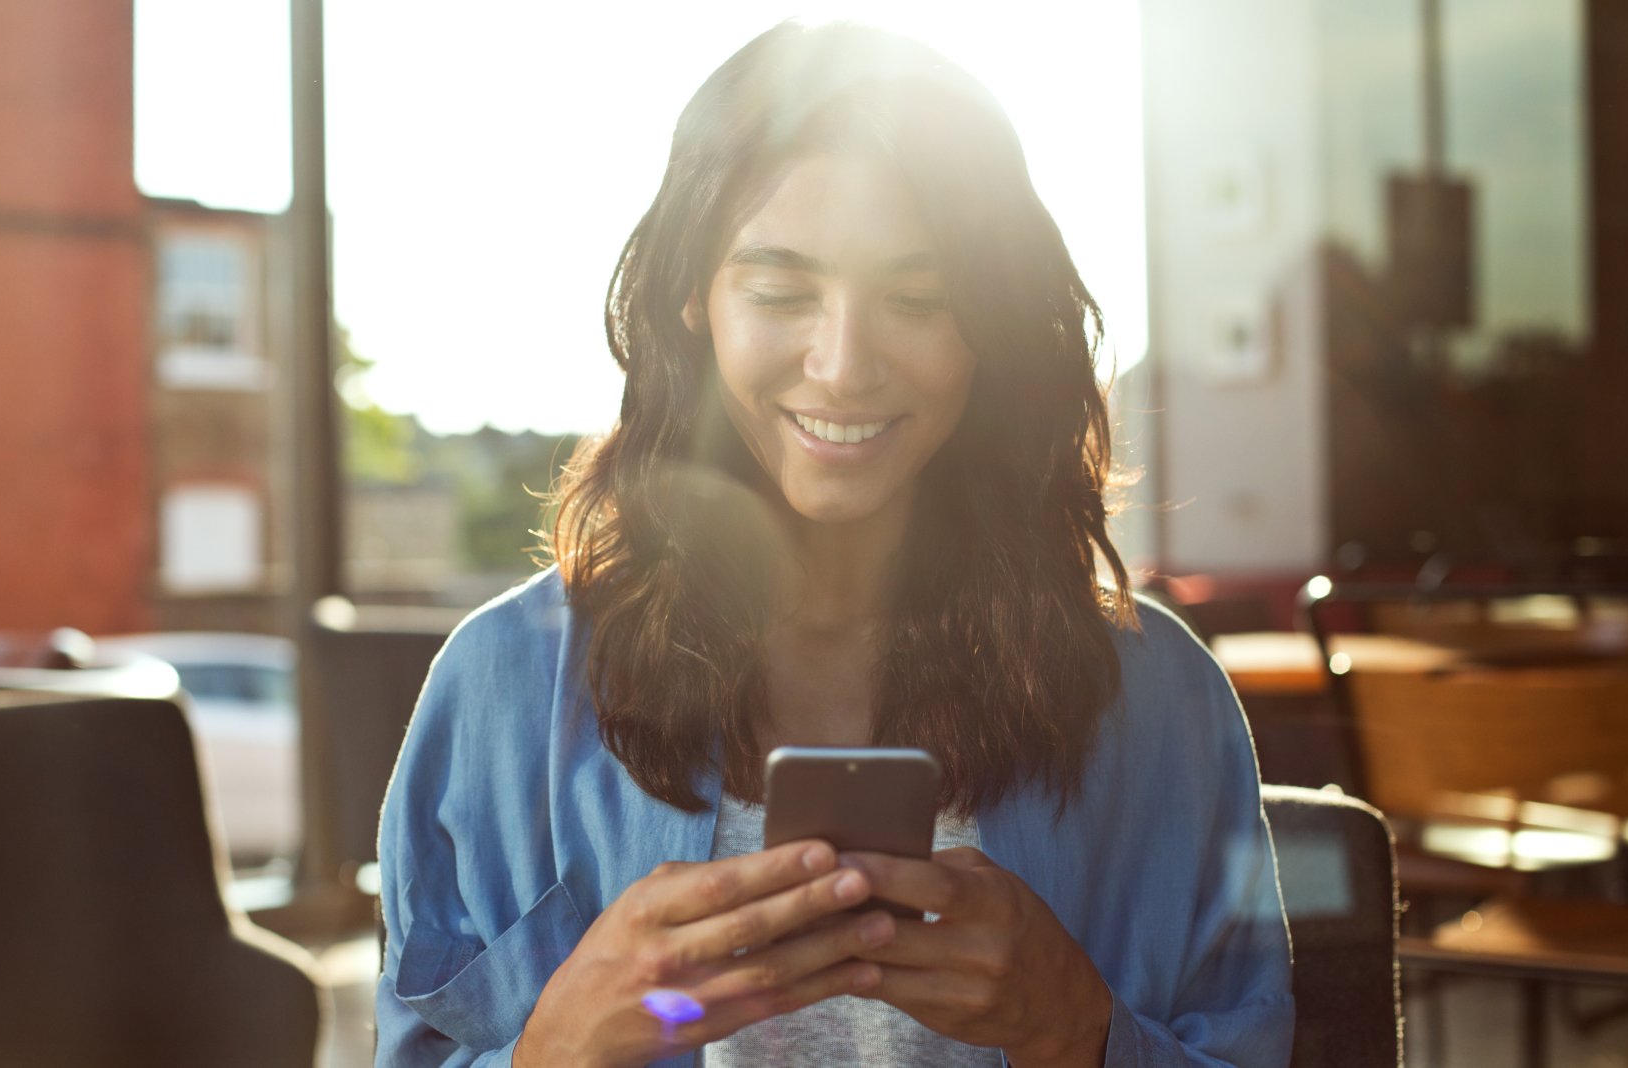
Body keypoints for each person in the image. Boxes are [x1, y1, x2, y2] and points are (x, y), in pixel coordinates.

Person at [375, 20, 1293, 1068]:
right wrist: (555, 1052)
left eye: (918, 297)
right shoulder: (502, 689)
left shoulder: (1158, 700)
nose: (845, 366)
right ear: (695, 304)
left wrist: (1079, 1036)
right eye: (779, 292)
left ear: (991, 322)